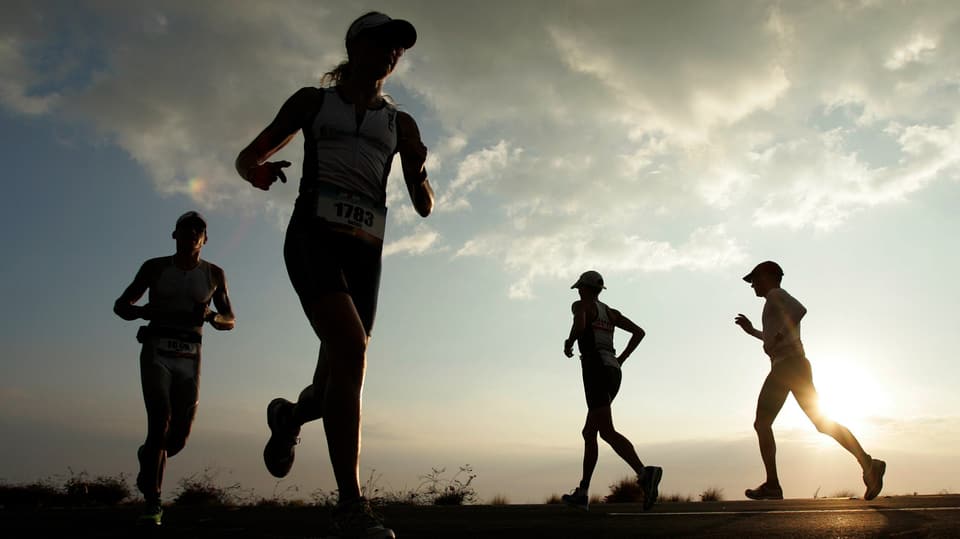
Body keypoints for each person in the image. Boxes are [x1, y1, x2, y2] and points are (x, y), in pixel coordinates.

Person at [234, 11, 433, 539]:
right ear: (353, 46)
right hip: (312, 238)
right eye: (382, 42)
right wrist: (254, 170)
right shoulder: (312, 102)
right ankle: (351, 505)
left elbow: (424, 205)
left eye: (398, 48)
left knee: (337, 380)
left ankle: (288, 418)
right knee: (351, 347)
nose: (392, 53)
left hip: (366, 255)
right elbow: (247, 155)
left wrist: (418, 168)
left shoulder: (401, 123)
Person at [113, 211, 235, 526]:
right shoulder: (154, 268)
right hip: (157, 349)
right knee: (159, 420)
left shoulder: (215, 274)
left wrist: (211, 317)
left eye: (199, 229)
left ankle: (148, 457)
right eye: (185, 228)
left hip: (191, 355)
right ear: (174, 235)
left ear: (205, 239)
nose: (192, 233)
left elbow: (230, 320)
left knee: (177, 437)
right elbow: (121, 306)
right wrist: (143, 312)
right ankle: (153, 502)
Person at [734, 260, 886, 501]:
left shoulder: (775, 294)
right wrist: (753, 331)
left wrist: (780, 335)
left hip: (788, 367)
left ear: (766, 277)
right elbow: (775, 335)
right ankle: (868, 463)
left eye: (754, 280)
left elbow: (799, 310)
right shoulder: (773, 301)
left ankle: (773, 485)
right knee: (820, 423)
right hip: (795, 366)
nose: (752, 286)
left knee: (762, 424)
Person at [560, 270, 662, 512]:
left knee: (605, 430)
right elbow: (639, 332)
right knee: (590, 431)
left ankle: (645, 473)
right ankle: (583, 492)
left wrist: (569, 341)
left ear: (584, 288)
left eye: (579, 288)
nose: (578, 292)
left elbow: (581, 323)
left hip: (595, 369)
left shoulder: (581, 305)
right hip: (613, 371)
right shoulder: (610, 312)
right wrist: (622, 358)